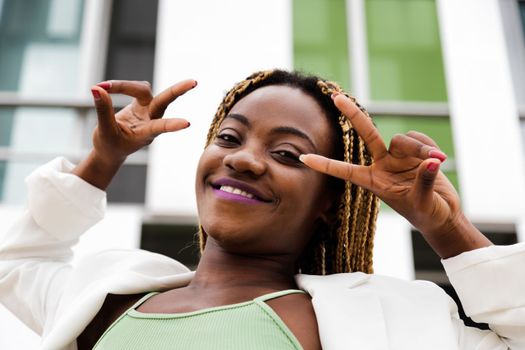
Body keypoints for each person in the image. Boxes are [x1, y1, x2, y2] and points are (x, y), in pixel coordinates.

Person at [0, 70, 524, 350]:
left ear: (327, 202)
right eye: (229, 137)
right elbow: (18, 262)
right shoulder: (103, 298)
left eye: (287, 154)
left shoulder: (393, 320)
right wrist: (101, 160)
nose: (244, 160)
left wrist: (447, 227)